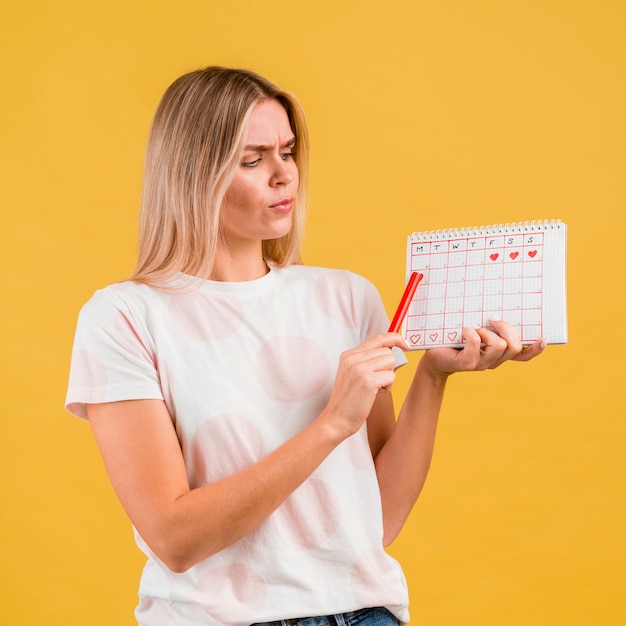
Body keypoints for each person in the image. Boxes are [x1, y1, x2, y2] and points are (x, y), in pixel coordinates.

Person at [65, 66, 544, 626]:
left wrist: (434, 376)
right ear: (192, 174)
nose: (282, 176)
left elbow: (379, 519)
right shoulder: (124, 317)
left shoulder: (346, 298)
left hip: (364, 615)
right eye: (253, 159)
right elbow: (174, 539)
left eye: (288, 153)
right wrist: (330, 424)